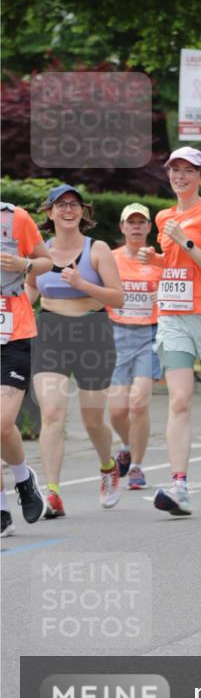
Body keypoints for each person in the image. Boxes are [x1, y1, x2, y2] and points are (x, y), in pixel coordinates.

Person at [139, 147, 201, 517]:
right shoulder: (165, 215)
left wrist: (185, 241)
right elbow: (178, 266)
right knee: (179, 400)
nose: (180, 176)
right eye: (174, 169)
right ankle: (179, 484)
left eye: (188, 170)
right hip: (173, 315)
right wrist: (159, 260)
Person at [28, 185, 124, 515]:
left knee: (92, 419)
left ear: (83, 212)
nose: (68, 210)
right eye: (61, 205)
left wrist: (83, 284)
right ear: (50, 212)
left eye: (75, 205)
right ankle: (52, 493)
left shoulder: (97, 249)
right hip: (51, 329)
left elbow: (117, 297)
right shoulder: (40, 254)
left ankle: (107, 465)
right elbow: (28, 293)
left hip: (92, 331)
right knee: (52, 413)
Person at [0, 201, 53, 536]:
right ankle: (3, 511)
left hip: (13, 334)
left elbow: (46, 261)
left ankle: (23, 478)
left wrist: (25, 263)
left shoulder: (14, 217)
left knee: (2, 423)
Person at [107, 203, 164, 490]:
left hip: (148, 335)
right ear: (122, 227)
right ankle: (127, 446)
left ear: (149, 228)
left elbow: (175, 290)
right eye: (131, 222)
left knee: (139, 403)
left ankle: (138, 466)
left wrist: (161, 296)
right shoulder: (111, 259)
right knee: (117, 411)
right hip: (116, 333)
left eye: (142, 222)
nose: (137, 227)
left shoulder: (158, 260)